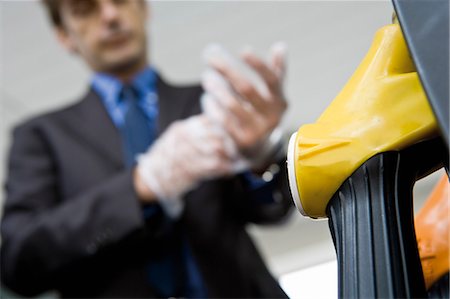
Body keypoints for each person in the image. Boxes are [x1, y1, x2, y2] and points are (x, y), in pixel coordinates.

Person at [1, 0, 293, 298]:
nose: (111, 15)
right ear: (64, 35)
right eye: (84, 8)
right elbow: (18, 260)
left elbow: (273, 211)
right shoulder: (40, 136)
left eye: (121, 0)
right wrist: (139, 186)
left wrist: (260, 159)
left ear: (144, 8)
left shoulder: (210, 104)